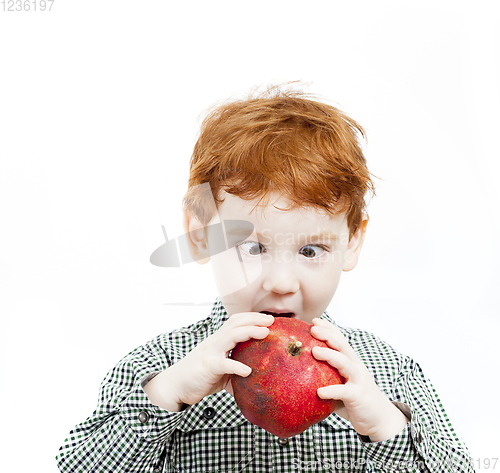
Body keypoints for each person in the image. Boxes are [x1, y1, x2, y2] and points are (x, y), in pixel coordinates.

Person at [56, 86, 474, 472]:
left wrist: (385, 424)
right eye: (252, 249)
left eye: (311, 251)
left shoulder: (388, 374)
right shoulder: (158, 367)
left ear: (352, 243)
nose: (280, 282)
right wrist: (167, 395)